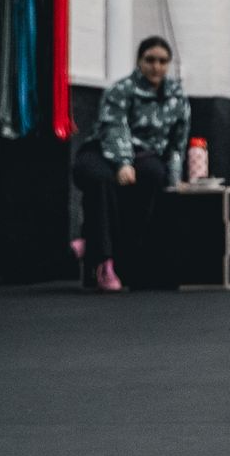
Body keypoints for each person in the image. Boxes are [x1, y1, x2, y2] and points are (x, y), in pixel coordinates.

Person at [72, 33, 189, 293]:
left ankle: (103, 248)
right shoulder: (121, 90)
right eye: (150, 60)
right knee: (101, 179)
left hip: (146, 156)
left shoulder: (177, 96)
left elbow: (177, 142)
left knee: (153, 175)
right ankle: (103, 261)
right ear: (139, 61)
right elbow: (114, 128)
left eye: (162, 61)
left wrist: (175, 178)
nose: (156, 67)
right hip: (102, 150)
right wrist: (123, 163)